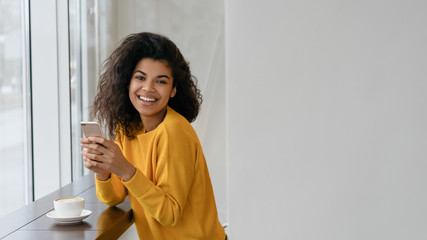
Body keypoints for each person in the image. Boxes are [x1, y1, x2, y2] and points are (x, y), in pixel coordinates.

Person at [80, 32, 226, 240]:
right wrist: (103, 172)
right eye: (140, 77)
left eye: (161, 81)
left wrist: (126, 169)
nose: (148, 88)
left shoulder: (175, 131)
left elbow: (170, 213)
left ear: (173, 90)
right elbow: (113, 198)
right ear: (127, 82)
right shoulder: (128, 128)